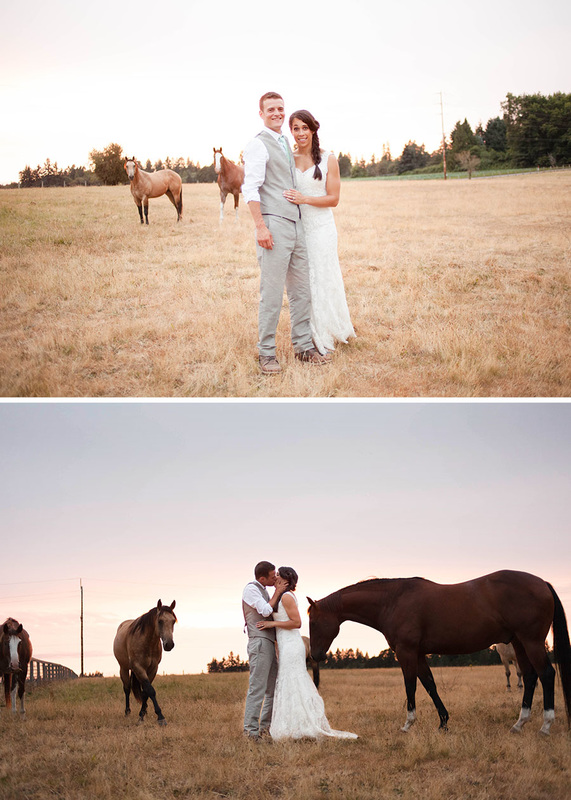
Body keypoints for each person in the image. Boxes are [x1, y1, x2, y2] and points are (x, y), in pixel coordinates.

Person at [242, 92, 331, 375]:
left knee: (301, 290)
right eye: (271, 109)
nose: (278, 113)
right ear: (261, 113)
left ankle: (303, 347)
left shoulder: (284, 142)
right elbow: (250, 188)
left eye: (281, 108)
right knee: (271, 293)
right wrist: (260, 226)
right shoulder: (258, 144)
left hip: (297, 225)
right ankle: (266, 353)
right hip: (274, 226)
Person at [256, 566, 358, 741]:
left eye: (278, 575)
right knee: (289, 683)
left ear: (285, 580)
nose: (275, 578)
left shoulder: (287, 597)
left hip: (292, 644)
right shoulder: (281, 596)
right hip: (285, 644)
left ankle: (303, 725)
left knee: (294, 680)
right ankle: (293, 724)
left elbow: (296, 623)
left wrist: (272, 625)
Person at [284, 110, 356, 355]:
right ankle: (306, 332)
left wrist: (305, 199)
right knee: (304, 281)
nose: (301, 133)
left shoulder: (328, 159)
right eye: (295, 128)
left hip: (322, 228)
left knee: (323, 276)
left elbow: (334, 199)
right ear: (291, 132)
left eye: (305, 128)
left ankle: (327, 329)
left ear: (313, 130)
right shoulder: (288, 159)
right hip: (298, 228)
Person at [242, 560, 287, 740]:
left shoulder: (264, 590)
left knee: (272, 688)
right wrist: (277, 592)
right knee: (257, 688)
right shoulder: (251, 589)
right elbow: (266, 610)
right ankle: (250, 732)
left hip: (268, 643)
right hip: (259, 643)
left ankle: (264, 728)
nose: (275, 577)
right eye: (272, 575)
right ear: (262, 577)